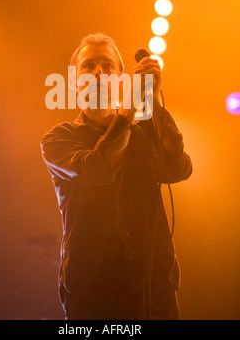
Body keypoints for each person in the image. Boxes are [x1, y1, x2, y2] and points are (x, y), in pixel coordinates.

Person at [40, 33, 192, 320]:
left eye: (108, 65)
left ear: (121, 78)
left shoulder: (143, 131)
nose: (99, 71)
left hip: (153, 287)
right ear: (74, 82)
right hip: (93, 294)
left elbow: (179, 168)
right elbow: (99, 167)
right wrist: (133, 106)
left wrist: (153, 101)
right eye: (89, 65)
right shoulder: (59, 139)